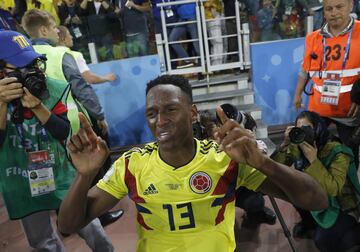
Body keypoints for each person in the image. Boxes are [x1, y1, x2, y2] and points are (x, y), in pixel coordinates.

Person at [58, 74, 328, 251]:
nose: (160, 120)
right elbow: (68, 226)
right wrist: (84, 176)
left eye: (170, 109)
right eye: (152, 113)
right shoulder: (131, 165)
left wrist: (263, 163)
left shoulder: (225, 158)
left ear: (193, 112)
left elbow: (317, 200)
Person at [0, 30, 114, 252]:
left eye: (33, 63)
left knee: (89, 226)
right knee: (42, 241)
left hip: (60, 172)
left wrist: (37, 107)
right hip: (20, 180)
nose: (30, 72)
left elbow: (63, 131)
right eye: (21, 67)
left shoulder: (51, 88)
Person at [22, 9, 123, 227]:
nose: (56, 33)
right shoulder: (60, 54)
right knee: (83, 172)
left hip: (34, 127)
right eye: (52, 28)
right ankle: (93, 216)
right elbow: (81, 88)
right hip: (69, 123)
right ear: (43, 29)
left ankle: (62, 217)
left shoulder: (21, 57)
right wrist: (99, 115)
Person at [272, 110, 360, 252]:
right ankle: (311, 223)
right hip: (317, 196)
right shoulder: (298, 145)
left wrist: (313, 160)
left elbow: (333, 189)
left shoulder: (338, 151)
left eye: (307, 129)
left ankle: (354, 232)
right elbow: (276, 170)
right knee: (294, 193)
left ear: (318, 128)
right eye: (299, 129)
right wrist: (285, 144)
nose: (303, 133)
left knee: (324, 243)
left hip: (342, 205)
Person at [293, 0, 360, 168]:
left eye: (339, 7)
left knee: (348, 158)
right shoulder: (313, 38)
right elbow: (305, 69)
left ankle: (349, 191)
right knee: (309, 151)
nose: (334, 12)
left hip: (349, 110)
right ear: (323, 11)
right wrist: (298, 93)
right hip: (319, 107)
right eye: (329, 8)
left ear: (351, 6)